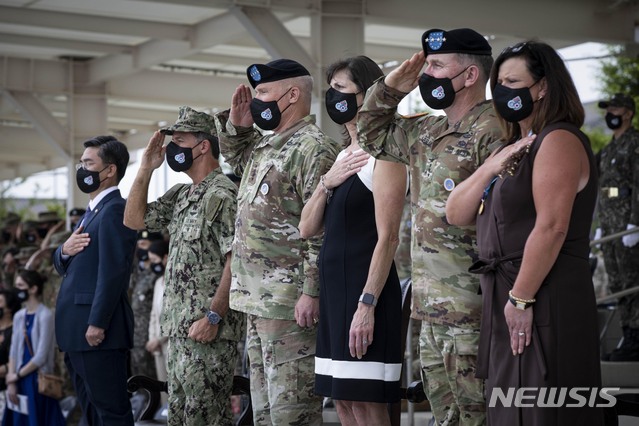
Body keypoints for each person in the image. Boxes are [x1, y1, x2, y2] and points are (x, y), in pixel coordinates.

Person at [446, 40, 603, 425]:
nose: (502, 91)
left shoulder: (558, 139)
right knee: (510, 410)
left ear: (543, 86)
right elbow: (455, 212)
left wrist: (521, 299)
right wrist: (488, 168)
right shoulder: (512, 147)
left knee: (545, 410)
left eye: (513, 81)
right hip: (512, 296)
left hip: (542, 296)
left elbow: (552, 226)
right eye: (498, 82)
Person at [357, 28, 501, 425]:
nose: (427, 74)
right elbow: (372, 135)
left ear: (470, 76)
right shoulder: (427, 131)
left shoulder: (494, 131)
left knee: (478, 414)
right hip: (430, 307)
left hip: (472, 306)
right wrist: (389, 87)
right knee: (443, 416)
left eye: (437, 65)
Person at [215, 58, 340, 425]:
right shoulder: (266, 146)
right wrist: (238, 127)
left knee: (293, 414)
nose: (256, 102)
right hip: (256, 300)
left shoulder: (313, 149)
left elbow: (320, 230)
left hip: (289, 304)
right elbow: (236, 157)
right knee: (266, 414)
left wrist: (310, 291)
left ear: (292, 95)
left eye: (264, 93)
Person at [298, 55, 406, 425]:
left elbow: (388, 238)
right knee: (343, 402)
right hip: (334, 296)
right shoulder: (343, 156)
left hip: (366, 295)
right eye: (331, 90)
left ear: (368, 94)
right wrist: (326, 182)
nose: (333, 97)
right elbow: (306, 228)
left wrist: (367, 304)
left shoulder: (386, 154)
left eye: (341, 88)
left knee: (366, 404)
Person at [123, 106, 244, 426]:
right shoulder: (181, 194)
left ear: (203, 146)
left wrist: (214, 316)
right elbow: (133, 219)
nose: (173, 149)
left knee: (205, 418)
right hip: (179, 332)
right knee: (180, 417)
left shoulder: (222, 194)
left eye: (180, 141)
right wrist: (146, 168)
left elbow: (236, 260)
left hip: (209, 333)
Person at [53, 136, 137, 426]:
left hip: (97, 332)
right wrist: (63, 251)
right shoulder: (92, 212)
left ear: (110, 170)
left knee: (110, 413)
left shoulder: (114, 210)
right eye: (81, 163)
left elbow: (113, 272)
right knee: (91, 412)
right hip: (77, 331)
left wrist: (98, 322)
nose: (82, 169)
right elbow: (66, 264)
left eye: (89, 163)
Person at [596, 92, 639, 361]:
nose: (610, 112)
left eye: (615, 108)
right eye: (607, 108)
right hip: (610, 225)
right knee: (616, 281)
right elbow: (603, 190)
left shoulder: (635, 143)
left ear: (628, 112)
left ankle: (636, 335)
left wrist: (635, 222)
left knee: (633, 279)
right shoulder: (609, 148)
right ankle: (627, 332)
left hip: (628, 225)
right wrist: (600, 225)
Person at [3, 269, 66, 425]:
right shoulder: (19, 316)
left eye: (20, 285)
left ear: (33, 289)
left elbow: (41, 355)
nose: (17, 290)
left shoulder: (46, 315)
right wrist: (11, 379)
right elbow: (13, 350)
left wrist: (16, 376)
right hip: (18, 376)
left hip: (36, 379)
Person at [145, 239, 170, 388]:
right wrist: (151, 339)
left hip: (170, 343)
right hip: (158, 347)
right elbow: (154, 314)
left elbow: (174, 316)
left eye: (155, 260)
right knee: (162, 388)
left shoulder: (175, 282)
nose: (153, 264)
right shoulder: (158, 282)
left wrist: (159, 339)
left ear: (165, 258)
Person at [0, 290, 20, 422]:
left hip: (5, 391)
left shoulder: (16, 331)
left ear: (9, 309)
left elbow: (19, 359)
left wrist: (6, 369)